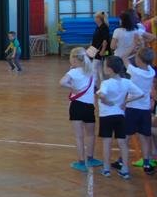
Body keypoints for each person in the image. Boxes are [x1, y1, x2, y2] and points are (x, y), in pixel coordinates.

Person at [96, 56, 143, 179]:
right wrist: (126, 102)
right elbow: (141, 94)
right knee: (123, 143)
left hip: (106, 116)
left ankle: (106, 169)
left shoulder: (106, 83)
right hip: (120, 116)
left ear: (110, 69)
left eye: (105, 66)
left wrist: (106, 101)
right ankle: (125, 170)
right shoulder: (126, 82)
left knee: (107, 142)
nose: (104, 68)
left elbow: (101, 95)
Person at [111, 47, 156, 175]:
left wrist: (133, 48)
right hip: (145, 110)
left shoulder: (134, 71)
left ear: (139, 60)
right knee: (144, 137)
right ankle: (147, 163)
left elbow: (123, 57)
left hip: (132, 108)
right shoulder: (151, 72)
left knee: (125, 136)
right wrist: (140, 50)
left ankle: (121, 161)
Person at [59, 47, 102, 172]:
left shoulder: (73, 72)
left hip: (76, 106)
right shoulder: (91, 71)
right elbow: (97, 85)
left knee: (79, 136)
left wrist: (73, 88)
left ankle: (81, 162)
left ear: (73, 59)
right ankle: (91, 158)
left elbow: (62, 82)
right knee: (91, 134)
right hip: (89, 106)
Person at [90, 11, 110, 87]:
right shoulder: (98, 27)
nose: (94, 19)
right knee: (99, 68)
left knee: (94, 67)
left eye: (96, 17)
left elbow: (105, 41)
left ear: (99, 19)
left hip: (101, 51)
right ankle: (102, 84)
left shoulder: (104, 27)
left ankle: (94, 85)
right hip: (96, 50)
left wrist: (102, 51)